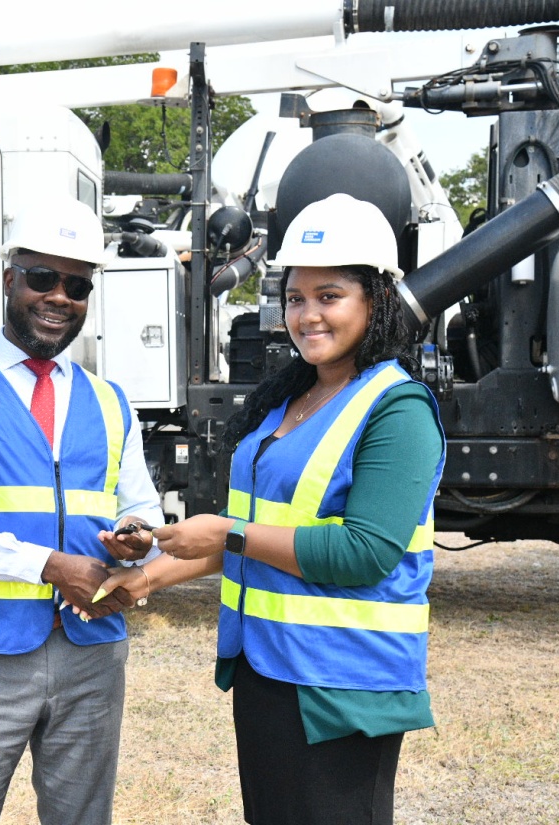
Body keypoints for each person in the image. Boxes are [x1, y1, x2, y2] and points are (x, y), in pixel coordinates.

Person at [94, 193, 446, 824]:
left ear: (377, 300)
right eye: (295, 298)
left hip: (343, 686)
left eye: (329, 296)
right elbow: (249, 544)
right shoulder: (289, 400)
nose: (307, 315)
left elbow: (364, 553)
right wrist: (143, 576)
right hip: (267, 670)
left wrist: (227, 533)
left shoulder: (398, 409)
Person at [0, 194, 163, 825]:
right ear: (9, 278)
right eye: (42, 277)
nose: (59, 296)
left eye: (76, 284)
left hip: (93, 649)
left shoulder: (111, 401)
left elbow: (142, 507)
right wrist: (50, 565)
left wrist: (138, 538)